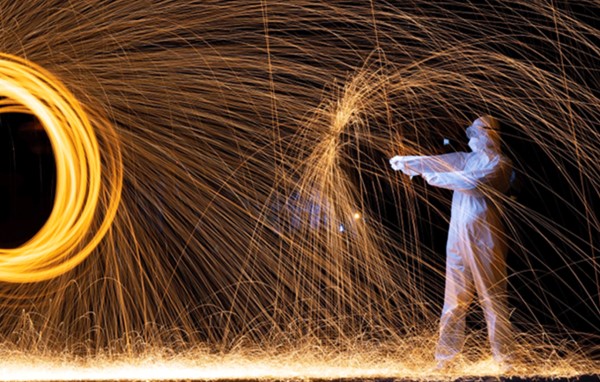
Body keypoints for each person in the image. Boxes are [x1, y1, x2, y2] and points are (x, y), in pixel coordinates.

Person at [390, 116, 513, 370]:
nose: (473, 138)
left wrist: (431, 178)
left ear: (490, 135)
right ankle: (446, 359)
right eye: (473, 132)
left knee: (492, 298)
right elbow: (439, 162)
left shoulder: (501, 164)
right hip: (457, 236)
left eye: (478, 133)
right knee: (454, 300)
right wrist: (408, 163)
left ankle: (505, 359)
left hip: (486, 238)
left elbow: (472, 183)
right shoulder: (467, 160)